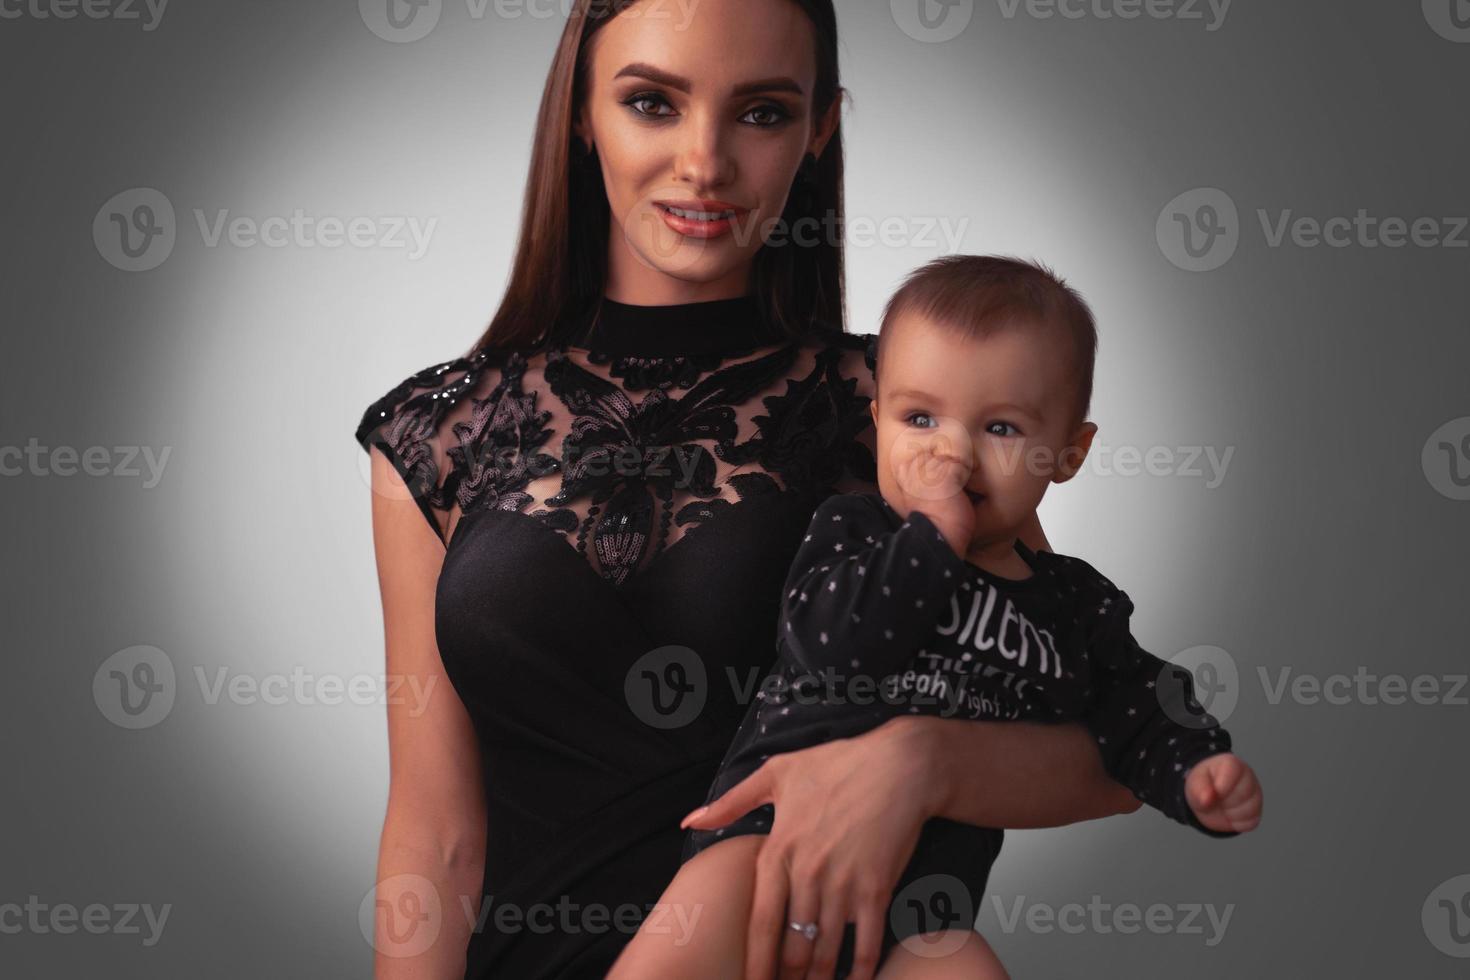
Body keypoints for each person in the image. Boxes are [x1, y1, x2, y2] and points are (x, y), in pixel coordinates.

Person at [355, 4, 1141, 977]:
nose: (705, 161)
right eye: (651, 102)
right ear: (581, 114)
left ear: (819, 129)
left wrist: (924, 760)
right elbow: (435, 834)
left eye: (761, 113)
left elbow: (1101, 734)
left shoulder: (909, 416)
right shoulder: (435, 433)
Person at [608, 255, 1265, 978]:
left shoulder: (1073, 605)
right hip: (773, 848)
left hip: (920, 915)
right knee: (694, 924)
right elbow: (832, 649)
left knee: (965, 968)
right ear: (877, 421)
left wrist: (1196, 768)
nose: (950, 451)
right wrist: (934, 539)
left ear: (1069, 453)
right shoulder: (855, 533)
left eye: (1002, 429)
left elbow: (1136, 706)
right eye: (919, 417)